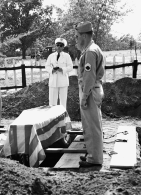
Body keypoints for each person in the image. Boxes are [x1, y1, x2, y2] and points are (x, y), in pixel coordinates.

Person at [75, 21, 105, 167]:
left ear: (84, 36)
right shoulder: (91, 49)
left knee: (92, 126)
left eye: (77, 36)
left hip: (90, 91)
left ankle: (95, 159)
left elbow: (89, 76)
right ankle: (94, 154)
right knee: (92, 125)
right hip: (94, 89)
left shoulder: (90, 52)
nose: (76, 39)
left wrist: (85, 96)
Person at [45, 38, 73, 109]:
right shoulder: (51, 56)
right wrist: (52, 70)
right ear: (55, 46)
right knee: (52, 102)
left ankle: (63, 119)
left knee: (63, 102)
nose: (59, 47)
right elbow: (47, 66)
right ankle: (53, 118)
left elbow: (70, 67)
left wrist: (62, 69)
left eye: (61, 45)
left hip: (63, 81)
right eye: (57, 45)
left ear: (63, 47)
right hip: (53, 81)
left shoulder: (67, 56)